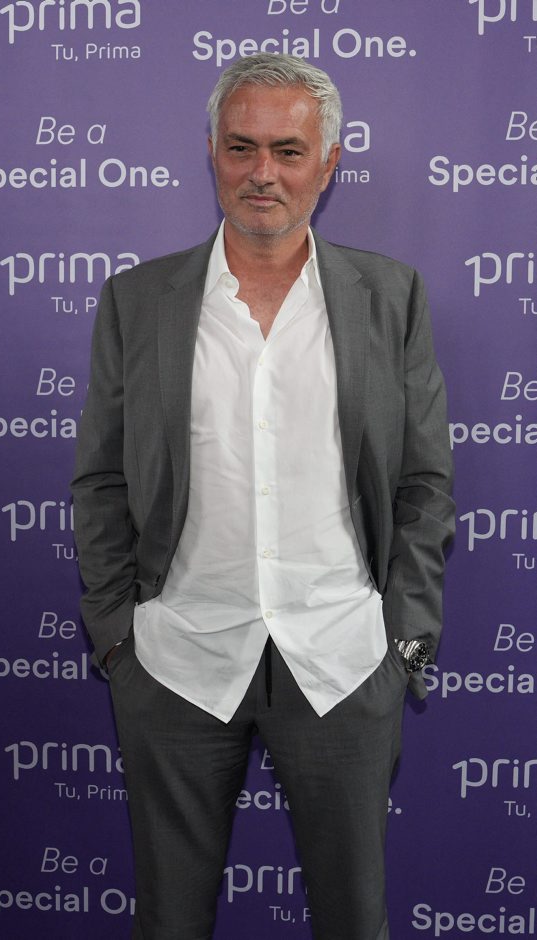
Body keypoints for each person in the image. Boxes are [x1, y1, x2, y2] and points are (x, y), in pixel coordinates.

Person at [71, 53, 455, 940]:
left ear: (328, 161)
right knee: (169, 921)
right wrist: (118, 635)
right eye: (241, 147)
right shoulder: (138, 300)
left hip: (342, 658)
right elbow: (100, 477)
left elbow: (423, 481)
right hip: (176, 659)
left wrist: (400, 638)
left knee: (353, 919)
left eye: (288, 150)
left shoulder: (389, 296)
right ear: (211, 151)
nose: (262, 173)